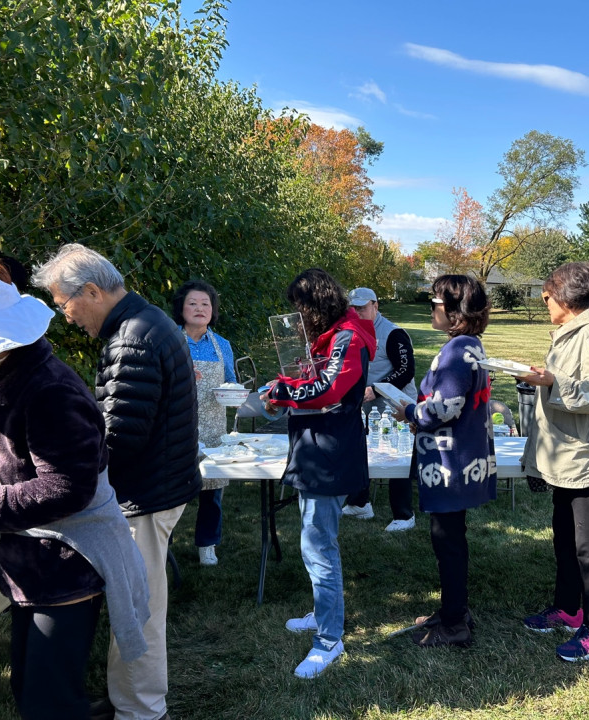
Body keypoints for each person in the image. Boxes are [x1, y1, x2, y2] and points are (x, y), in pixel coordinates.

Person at [0, 255, 149, 720]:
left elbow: (64, 489)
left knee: (47, 702)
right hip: (30, 559)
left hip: (68, 560)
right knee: (31, 689)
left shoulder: (48, 390)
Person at [33, 244, 200, 720]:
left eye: (64, 304)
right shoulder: (141, 323)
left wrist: (65, 457)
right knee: (138, 602)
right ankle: (130, 699)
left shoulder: (132, 338)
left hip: (145, 492)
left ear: (91, 291)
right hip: (155, 485)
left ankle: (142, 710)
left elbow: (121, 436)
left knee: (138, 610)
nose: (65, 317)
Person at [263, 268, 376, 679]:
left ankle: (329, 639)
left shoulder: (348, 337)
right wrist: (284, 387)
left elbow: (329, 390)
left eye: (301, 306)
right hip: (315, 451)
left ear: (317, 304)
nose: (298, 315)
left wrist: (281, 392)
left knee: (319, 546)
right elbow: (312, 381)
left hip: (330, 454)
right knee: (314, 542)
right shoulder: (331, 336)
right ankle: (322, 611)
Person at [520, 262, 589, 661]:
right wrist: (543, 379)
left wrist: (552, 382)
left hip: (586, 458)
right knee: (566, 538)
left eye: (547, 297)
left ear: (566, 298)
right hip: (567, 455)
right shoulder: (574, 331)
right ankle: (569, 609)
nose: (545, 303)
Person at [396, 275, 496, 648]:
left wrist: (409, 411)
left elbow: (444, 408)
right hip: (459, 459)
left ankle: (454, 623)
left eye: (436, 302)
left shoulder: (457, 350)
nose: (431, 308)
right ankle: (455, 610)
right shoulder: (470, 345)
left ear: (455, 311)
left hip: (450, 465)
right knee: (450, 540)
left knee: (448, 542)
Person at [341, 287, 418, 532]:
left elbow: (406, 370)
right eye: (353, 308)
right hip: (366, 406)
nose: (357, 312)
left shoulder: (394, 333)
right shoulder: (352, 330)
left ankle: (404, 515)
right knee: (360, 450)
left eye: (362, 308)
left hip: (397, 406)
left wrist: (375, 388)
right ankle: (360, 503)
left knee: (397, 456)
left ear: (375, 306)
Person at [172, 280, 236, 567]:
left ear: (213, 310)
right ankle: (163, 544)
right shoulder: (169, 340)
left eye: (205, 304)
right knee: (170, 490)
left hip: (213, 426)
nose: (200, 308)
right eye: (193, 303)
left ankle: (207, 544)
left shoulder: (222, 345)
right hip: (175, 426)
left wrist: (232, 391)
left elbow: (231, 381)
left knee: (212, 491)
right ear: (181, 309)